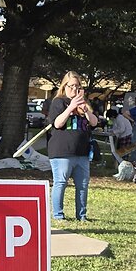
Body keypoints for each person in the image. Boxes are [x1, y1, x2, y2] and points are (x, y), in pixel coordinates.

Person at [45, 71, 100, 220]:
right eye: (71, 86)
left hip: (82, 151)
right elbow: (57, 123)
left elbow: (94, 123)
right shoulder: (59, 102)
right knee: (61, 182)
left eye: (78, 86)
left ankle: (81, 215)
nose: (75, 89)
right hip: (62, 151)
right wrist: (70, 108)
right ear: (65, 86)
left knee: (82, 185)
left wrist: (85, 110)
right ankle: (58, 215)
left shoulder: (84, 104)